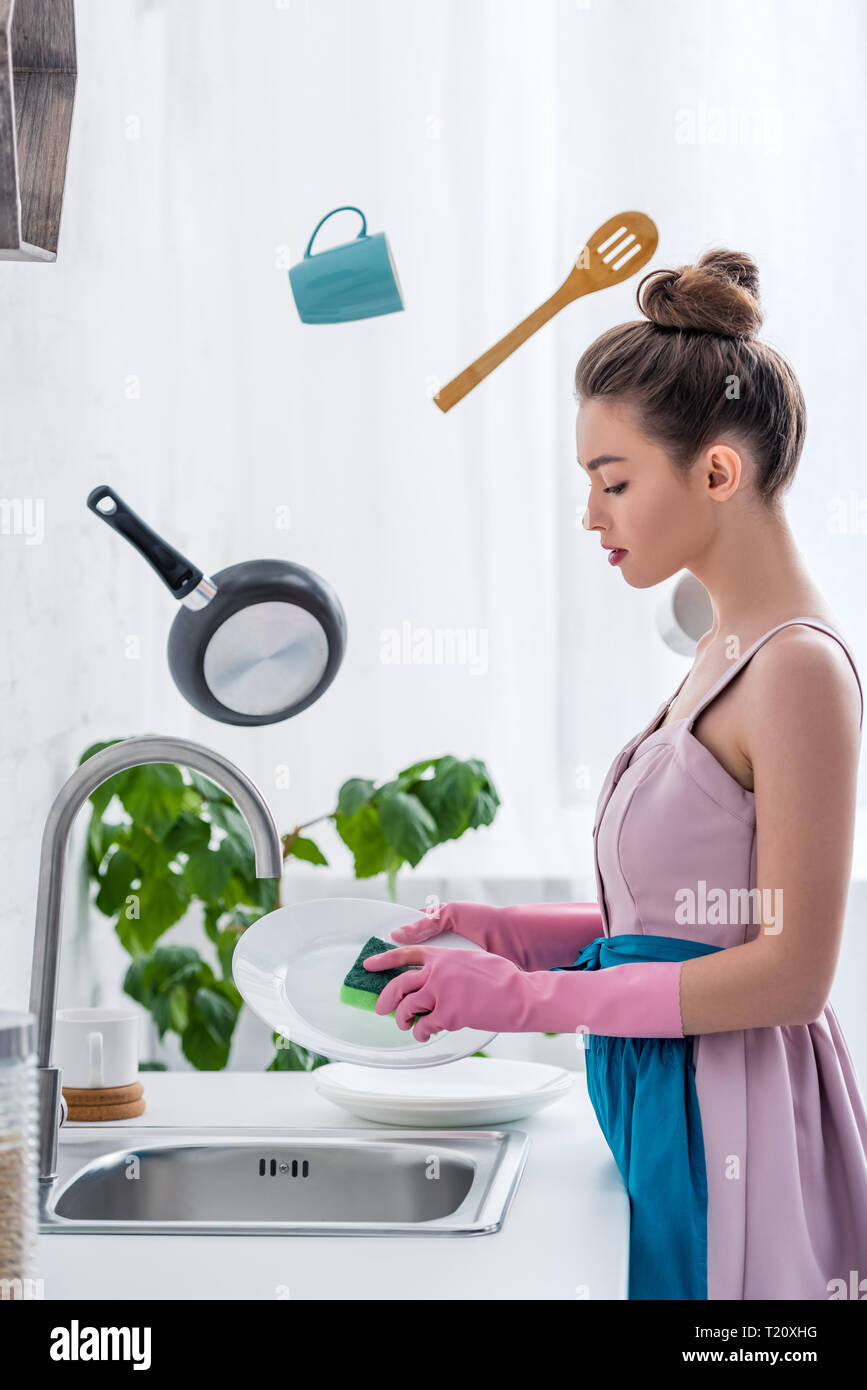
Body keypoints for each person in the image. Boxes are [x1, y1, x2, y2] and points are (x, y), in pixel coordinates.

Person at [365, 248, 867, 1301]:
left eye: (615, 481)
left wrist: (530, 999)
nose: (593, 516)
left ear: (718, 472)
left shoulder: (800, 672)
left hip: (734, 1135)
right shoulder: (722, 648)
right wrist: (501, 929)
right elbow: (679, 916)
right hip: (666, 1108)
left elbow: (791, 971)